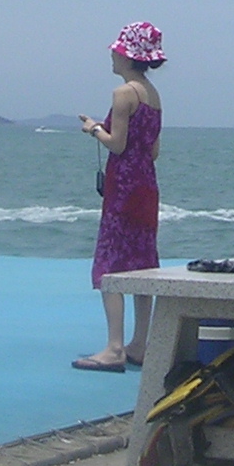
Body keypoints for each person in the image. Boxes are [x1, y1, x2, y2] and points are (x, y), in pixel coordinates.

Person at [73, 21, 164, 372]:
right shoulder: (153, 95)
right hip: (146, 183)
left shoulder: (123, 93)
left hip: (123, 185)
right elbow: (153, 150)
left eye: (116, 50)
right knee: (143, 262)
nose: (111, 54)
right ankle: (140, 342)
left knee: (110, 264)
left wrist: (94, 128)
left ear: (127, 55)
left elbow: (118, 144)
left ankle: (114, 348)